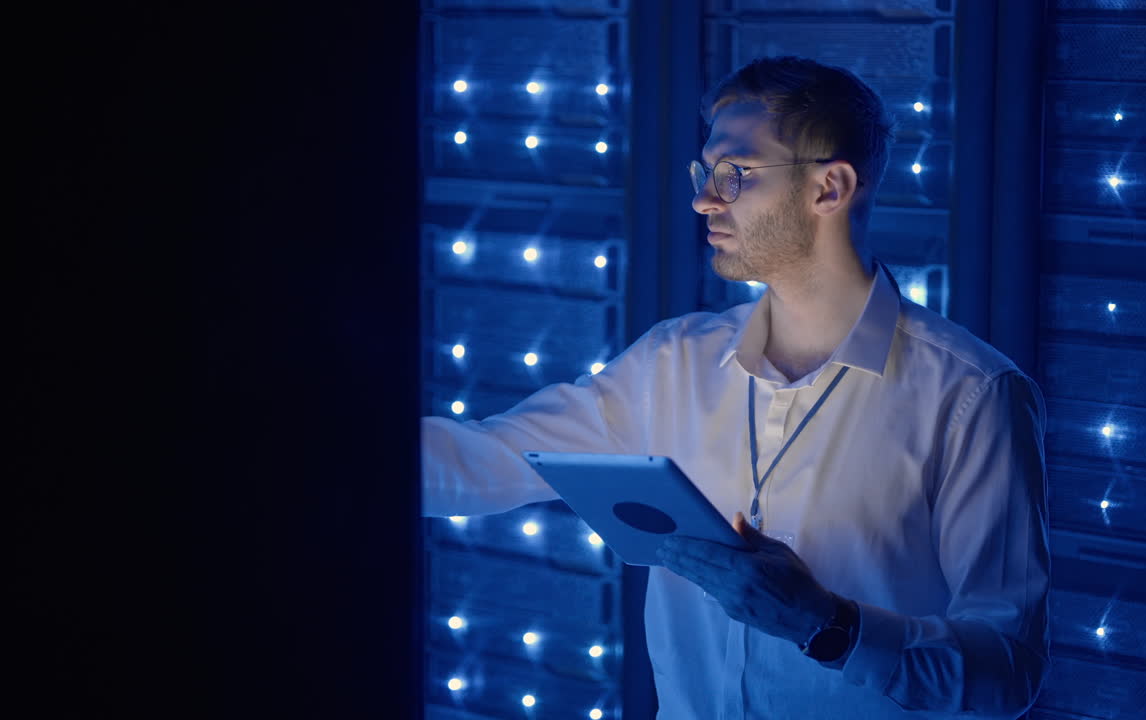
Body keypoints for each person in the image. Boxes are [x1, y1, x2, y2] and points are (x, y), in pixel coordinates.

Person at [422, 56, 1050, 719]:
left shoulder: (972, 395)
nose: (703, 199)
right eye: (706, 174)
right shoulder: (671, 363)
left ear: (828, 188)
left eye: (733, 175)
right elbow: (481, 464)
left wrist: (830, 625)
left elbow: (1007, 673)